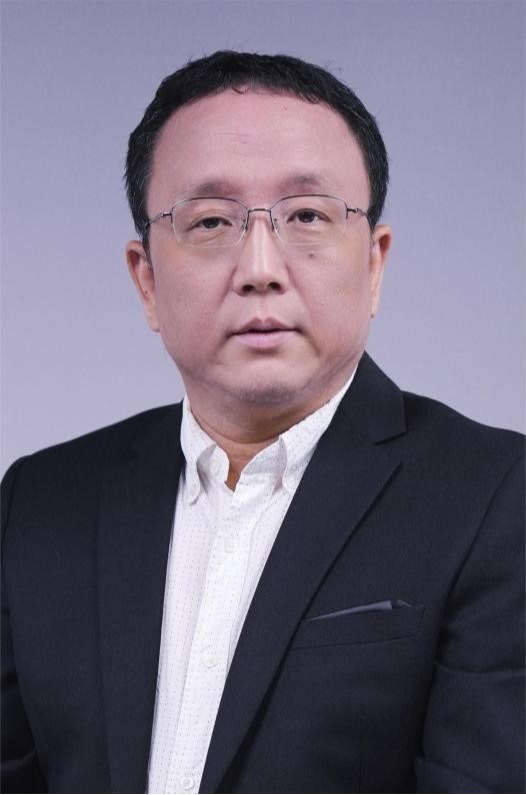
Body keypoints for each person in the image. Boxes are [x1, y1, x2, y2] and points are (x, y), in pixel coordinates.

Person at [1, 50, 523, 795]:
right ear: (146, 280)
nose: (260, 268)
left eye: (307, 215)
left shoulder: (496, 499)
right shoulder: (39, 503)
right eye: (211, 221)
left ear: (374, 264)